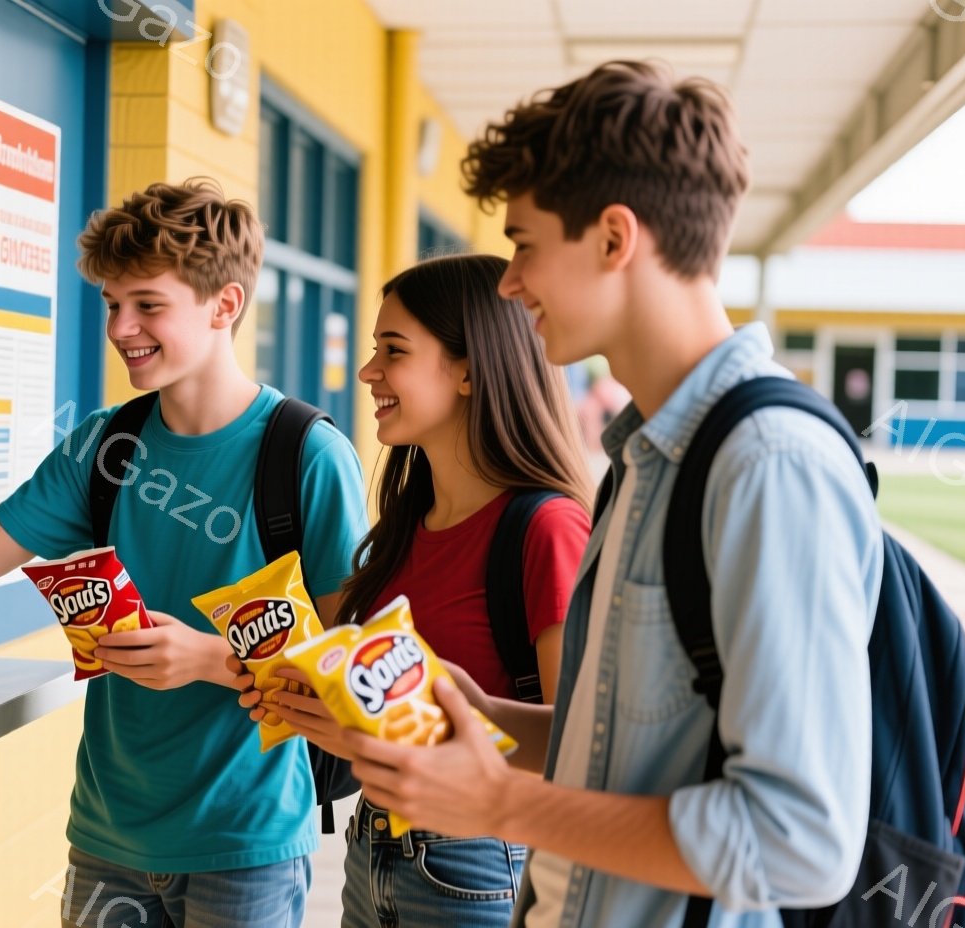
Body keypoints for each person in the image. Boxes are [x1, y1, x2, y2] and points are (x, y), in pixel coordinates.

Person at [338, 61, 881, 927]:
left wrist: (499, 809)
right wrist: (487, 720)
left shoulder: (768, 465)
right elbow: (619, 754)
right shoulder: (640, 460)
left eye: (523, 245)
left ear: (614, 238)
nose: (510, 285)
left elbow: (799, 841)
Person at [0, 179, 368, 927]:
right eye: (112, 304)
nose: (121, 327)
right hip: (107, 835)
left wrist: (210, 659)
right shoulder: (104, 443)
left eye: (148, 305)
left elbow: (352, 666)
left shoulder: (307, 456)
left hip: (245, 841)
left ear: (226, 306)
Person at [237, 253, 592, 926]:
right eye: (373, 350)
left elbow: (577, 750)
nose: (368, 372)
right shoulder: (406, 522)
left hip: (480, 863)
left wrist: (409, 735)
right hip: (372, 847)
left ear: (468, 369)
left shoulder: (546, 528)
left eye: (392, 351)